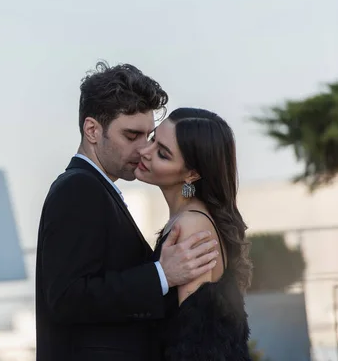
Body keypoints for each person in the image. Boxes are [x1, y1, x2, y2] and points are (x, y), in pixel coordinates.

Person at [35, 62, 220, 361]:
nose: (142, 149)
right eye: (131, 136)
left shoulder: (95, 188)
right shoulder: (78, 188)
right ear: (93, 130)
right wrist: (162, 274)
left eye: (148, 136)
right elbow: (66, 298)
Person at [136, 107, 252, 360]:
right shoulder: (189, 218)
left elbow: (192, 339)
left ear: (192, 174)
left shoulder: (191, 227)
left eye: (162, 154)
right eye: (153, 139)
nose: (144, 152)